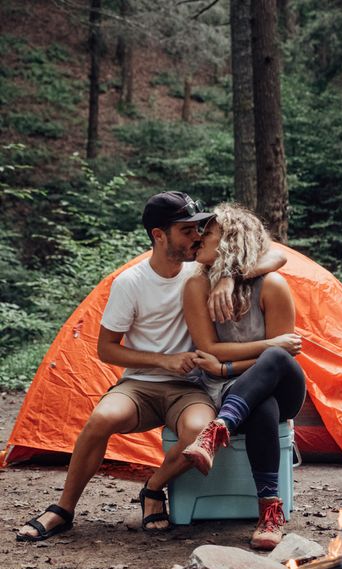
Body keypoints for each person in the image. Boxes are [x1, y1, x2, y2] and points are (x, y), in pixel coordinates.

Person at [17, 192, 286, 541]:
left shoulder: (203, 270)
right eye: (187, 230)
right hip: (140, 384)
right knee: (101, 419)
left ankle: (153, 489)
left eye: (198, 228)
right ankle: (63, 509)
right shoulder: (130, 283)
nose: (197, 236)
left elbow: (276, 255)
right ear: (159, 235)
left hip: (191, 387)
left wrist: (229, 275)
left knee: (197, 433)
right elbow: (106, 350)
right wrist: (164, 360)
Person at [182, 203, 307, 550]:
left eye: (207, 233)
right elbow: (210, 347)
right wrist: (234, 365)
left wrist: (227, 367)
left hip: (284, 387)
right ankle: (270, 511)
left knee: (274, 360)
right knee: (260, 404)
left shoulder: (272, 286)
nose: (197, 239)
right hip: (234, 390)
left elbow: (284, 355)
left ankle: (216, 430)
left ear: (230, 241)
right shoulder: (196, 286)